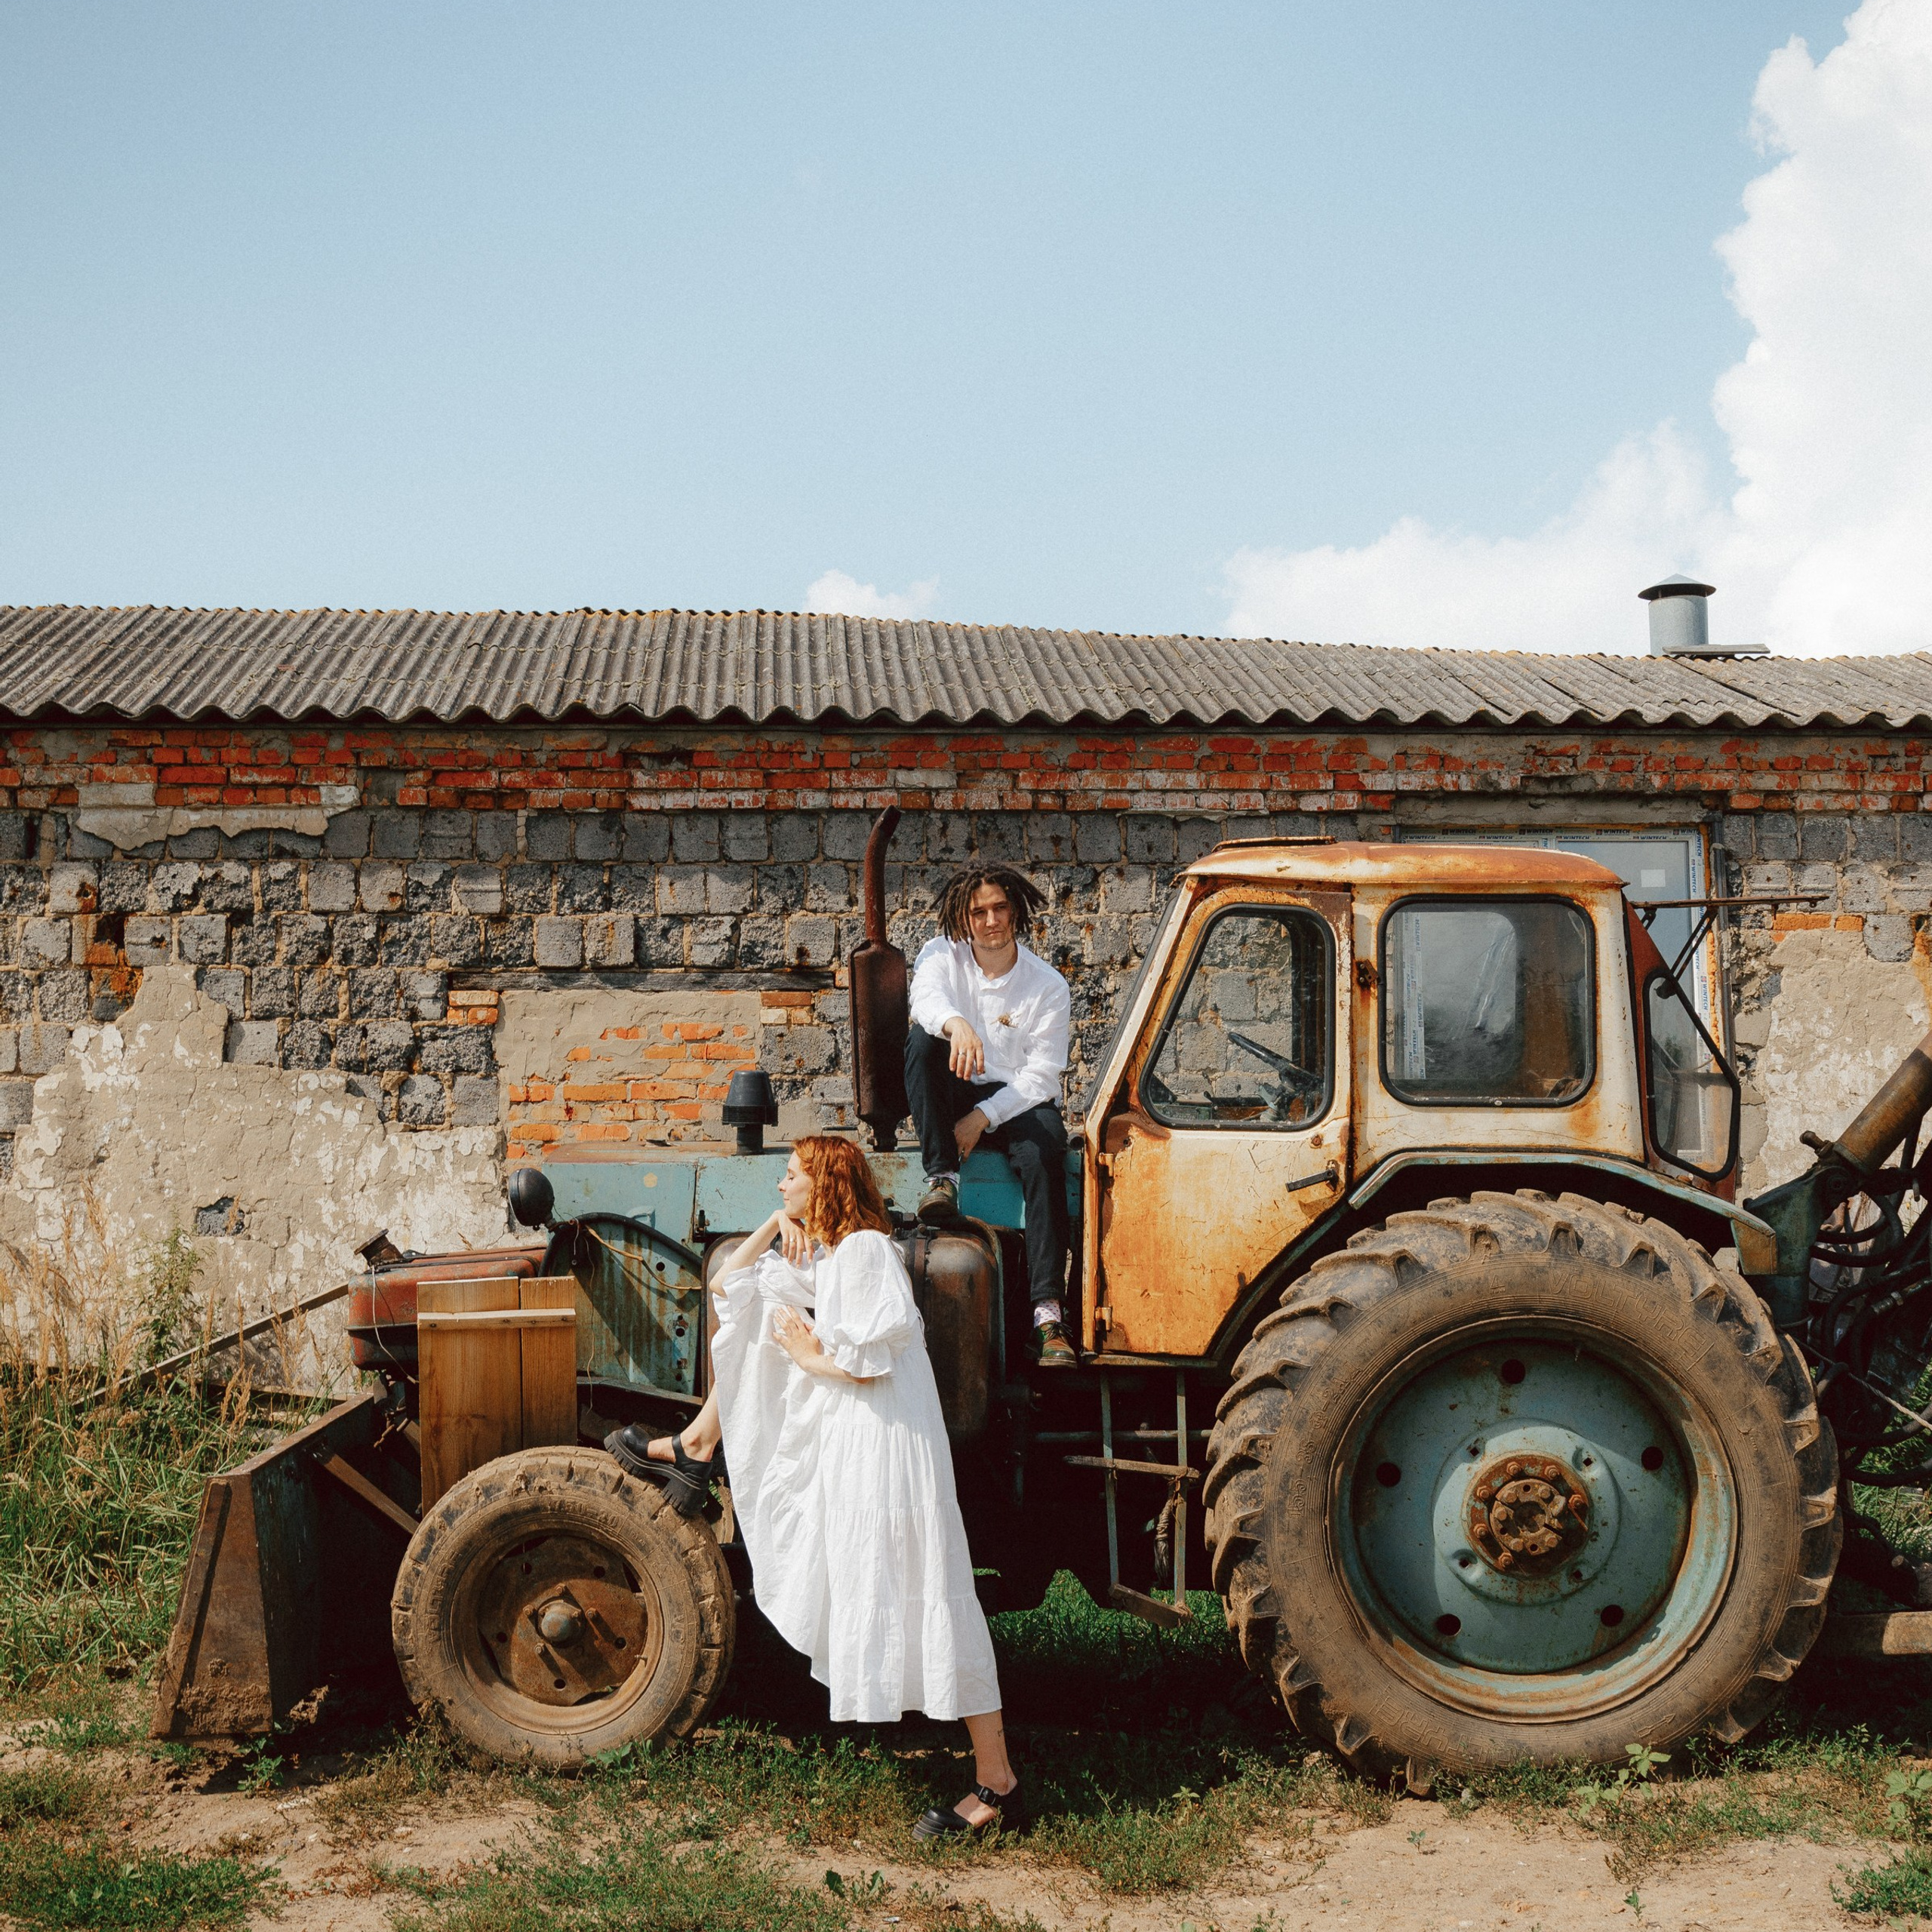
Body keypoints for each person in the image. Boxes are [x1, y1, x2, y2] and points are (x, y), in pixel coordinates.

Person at [605, 1134, 1023, 1841]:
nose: (782, 1186)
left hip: (888, 1444)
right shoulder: (835, 1255)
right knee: (762, 1327)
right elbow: (728, 1288)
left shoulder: (864, 1252)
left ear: (825, 1184)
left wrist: (806, 1353)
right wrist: (775, 1226)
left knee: (934, 1591)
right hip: (864, 1436)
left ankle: (997, 1783)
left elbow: (870, 1361)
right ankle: (698, 1442)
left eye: (792, 1177)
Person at [904, 863, 1077, 1366]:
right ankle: (942, 1178)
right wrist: (957, 1024)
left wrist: (982, 1117)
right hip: (955, 1083)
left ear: (1015, 911)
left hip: (1015, 1098)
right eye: (979, 912)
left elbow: (1042, 1076)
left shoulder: (1047, 985)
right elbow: (925, 998)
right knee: (922, 1042)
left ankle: (1048, 1315)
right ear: (964, 917)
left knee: (1046, 1150)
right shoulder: (942, 954)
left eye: (1000, 908)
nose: (991, 920)